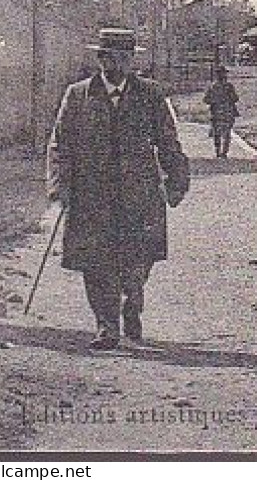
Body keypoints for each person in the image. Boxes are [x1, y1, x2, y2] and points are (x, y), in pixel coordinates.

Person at [47, 28, 190, 349]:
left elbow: (168, 141)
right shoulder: (78, 95)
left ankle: (133, 299)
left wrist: (177, 179)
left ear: (131, 61)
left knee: (139, 258)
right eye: (109, 57)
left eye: (124, 58)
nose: (117, 64)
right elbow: (60, 144)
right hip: (92, 194)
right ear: (99, 59)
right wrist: (60, 185)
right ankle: (106, 325)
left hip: (139, 194)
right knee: (96, 262)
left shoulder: (150, 95)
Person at [202, 66, 240, 158]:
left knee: (218, 133)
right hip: (227, 112)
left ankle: (219, 151)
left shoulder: (213, 87)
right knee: (226, 133)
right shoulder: (228, 86)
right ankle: (223, 152)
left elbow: (206, 100)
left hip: (217, 113)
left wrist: (214, 101)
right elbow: (235, 98)